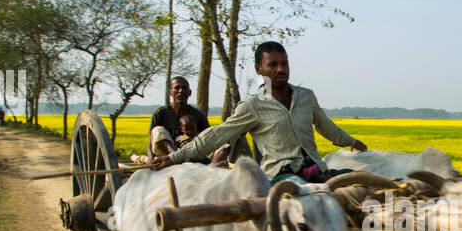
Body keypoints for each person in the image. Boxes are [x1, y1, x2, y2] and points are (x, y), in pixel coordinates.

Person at [150, 42, 366, 182]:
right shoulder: (253, 106)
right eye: (273, 65)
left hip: (317, 171)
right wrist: (174, 157)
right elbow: (216, 135)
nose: (281, 69)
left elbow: (326, 127)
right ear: (259, 69)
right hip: (283, 176)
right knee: (310, 194)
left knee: (360, 180)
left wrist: (352, 142)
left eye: (284, 63)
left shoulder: (306, 97)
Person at [147, 76, 206, 160]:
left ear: (189, 93)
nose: (181, 91)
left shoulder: (198, 114)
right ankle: (174, 155)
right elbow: (151, 140)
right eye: (177, 88)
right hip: (165, 154)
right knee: (157, 129)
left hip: (189, 151)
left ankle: (213, 163)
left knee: (222, 143)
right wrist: (150, 158)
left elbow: (207, 137)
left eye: (184, 88)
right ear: (170, 92)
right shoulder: (160, 112)